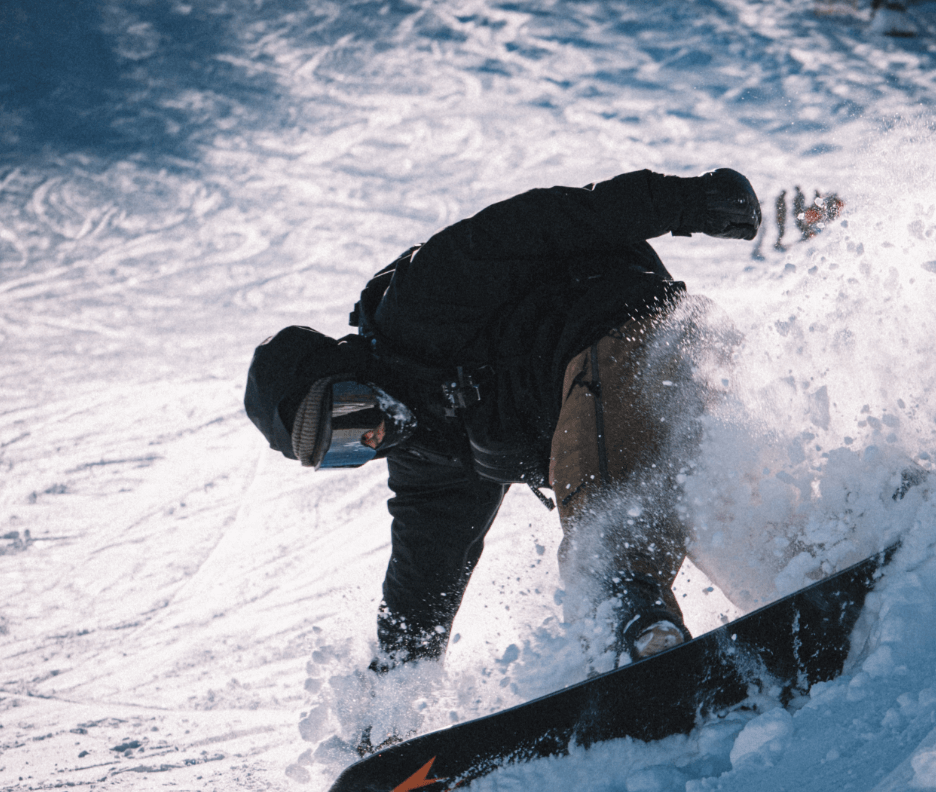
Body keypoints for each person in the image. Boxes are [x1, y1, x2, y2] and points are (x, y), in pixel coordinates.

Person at [244, 169, 761, 702]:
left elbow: (551, 219)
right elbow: (423, 582)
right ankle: (808, 565)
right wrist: (390, 699)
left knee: (602, 525)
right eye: (344, 451)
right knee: (730, 525)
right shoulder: (434, 459)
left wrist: (690, 203)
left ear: (348, 368)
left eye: (350, 414)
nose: (370, 437)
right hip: (663, 394)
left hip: (639, 341)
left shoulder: (425, 298)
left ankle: (643, 650)